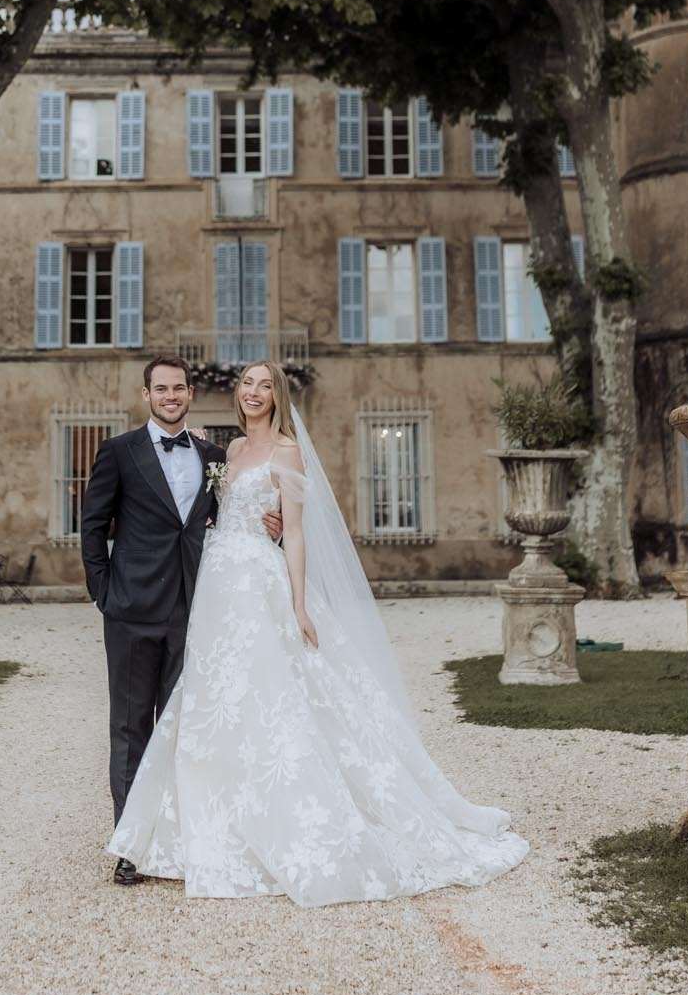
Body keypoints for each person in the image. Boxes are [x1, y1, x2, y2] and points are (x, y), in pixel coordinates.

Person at [108, 361, 529, 907]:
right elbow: (201, 516)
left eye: (265, 385)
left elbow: (298, 531)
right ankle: (205, 823)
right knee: (215, 699)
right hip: (215, 585)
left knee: (271, 696)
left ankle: (283, 822)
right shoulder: (227, 452)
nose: (254, 392)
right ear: (236, 393)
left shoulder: (286, 451)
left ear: (278, 396)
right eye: (248, 384)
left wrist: (300, 603)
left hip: (259, 583)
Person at [80, 355, 281, 886]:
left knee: (182, 729)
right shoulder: (118, 452)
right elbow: (93, 524)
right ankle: (130, 845)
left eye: (179, 389)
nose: (170, 397)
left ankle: (175, 836)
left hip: (196, 610)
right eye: (160, 389)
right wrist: (104, 591)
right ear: (146, 395)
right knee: (129, 728)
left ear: (191, 394)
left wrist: (274, 524)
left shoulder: (217, 455)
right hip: (130, 610)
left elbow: (233, 517)